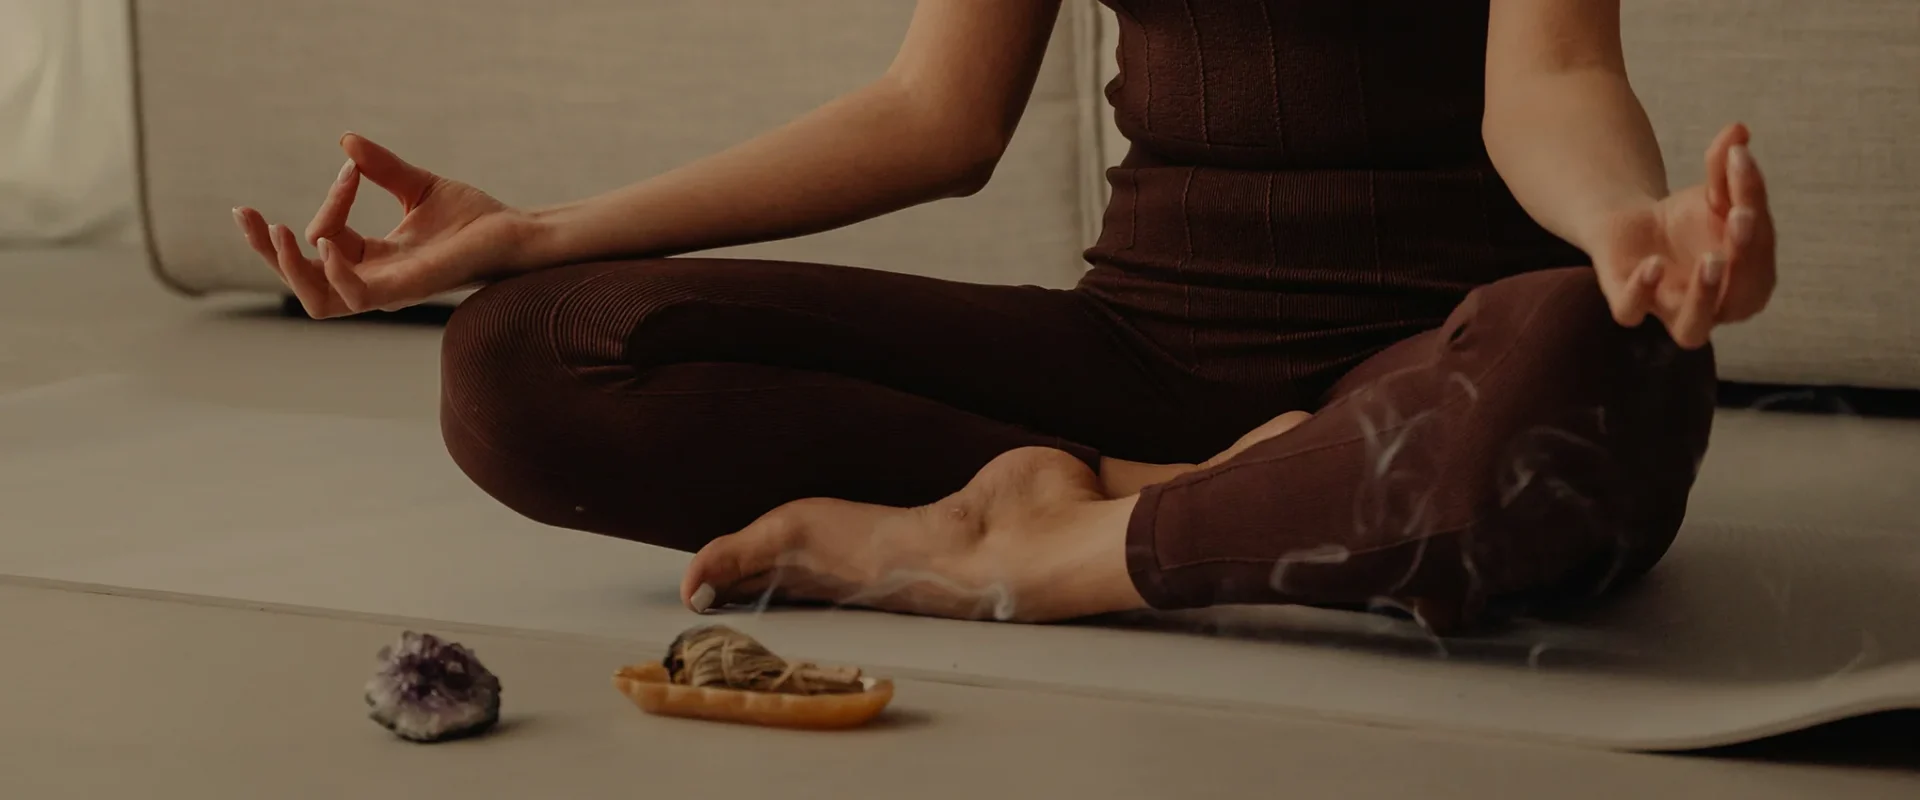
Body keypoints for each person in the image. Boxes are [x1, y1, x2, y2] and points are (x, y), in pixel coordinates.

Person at [232, 0, 1775, 633]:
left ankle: (1034, 545)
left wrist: (1624, 231)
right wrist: (536, 233)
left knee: (1595, 359)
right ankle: (1188, 497)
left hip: (1435, 364)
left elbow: (1554, 84)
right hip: (1136, 358)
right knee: (522, 359)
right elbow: (931, 115)